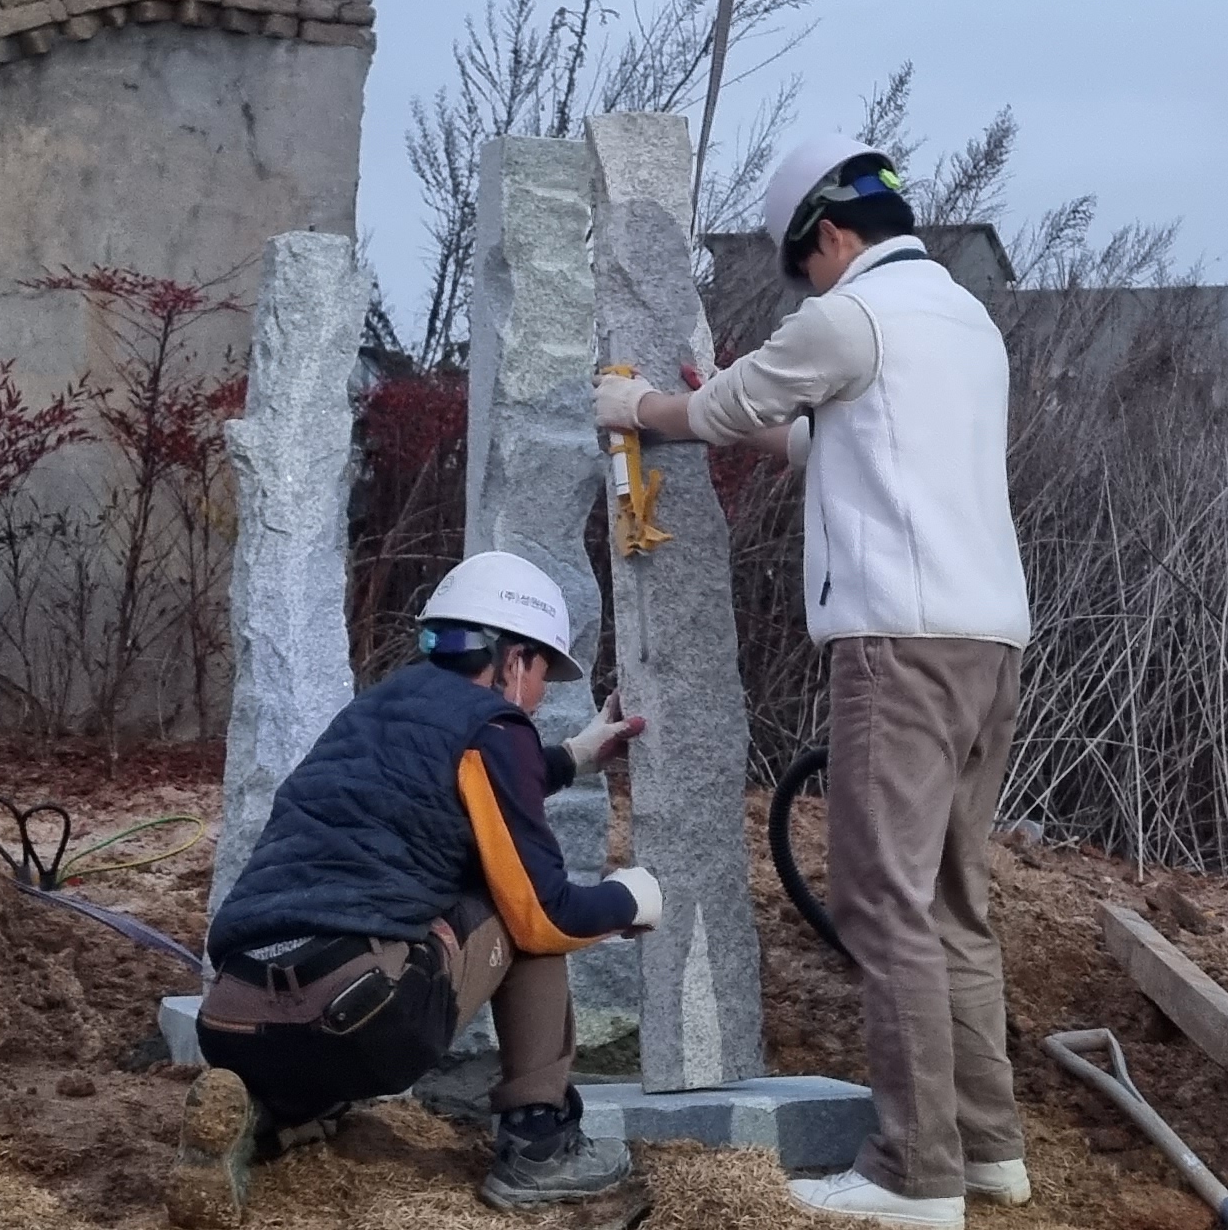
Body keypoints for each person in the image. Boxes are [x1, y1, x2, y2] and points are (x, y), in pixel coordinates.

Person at [595, 138, 1031, 1227]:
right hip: (988, 646)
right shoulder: (963, 319)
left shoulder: (850, 315)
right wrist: (741, 413)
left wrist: (638, 408)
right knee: (953, 902)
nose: (806, 289)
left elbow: (719, 411)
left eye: (804, 269)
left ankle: (914, 1173)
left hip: (897, 646)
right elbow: (854, 441)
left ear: (829, 235)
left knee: (883, 903)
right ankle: (989, 1151)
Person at [184, 550, 660, 1217]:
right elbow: (544, 913)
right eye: (541, 675)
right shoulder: (494, 728)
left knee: (332, 989)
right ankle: (540, 1144)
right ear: (513, 659)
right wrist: (633, 898)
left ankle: (266, 1118)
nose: (539, 697)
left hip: (232, 1014)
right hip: (359, 1014)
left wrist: (575, 756)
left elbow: (457, 780)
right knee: (514, 908)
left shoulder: (374, 710)